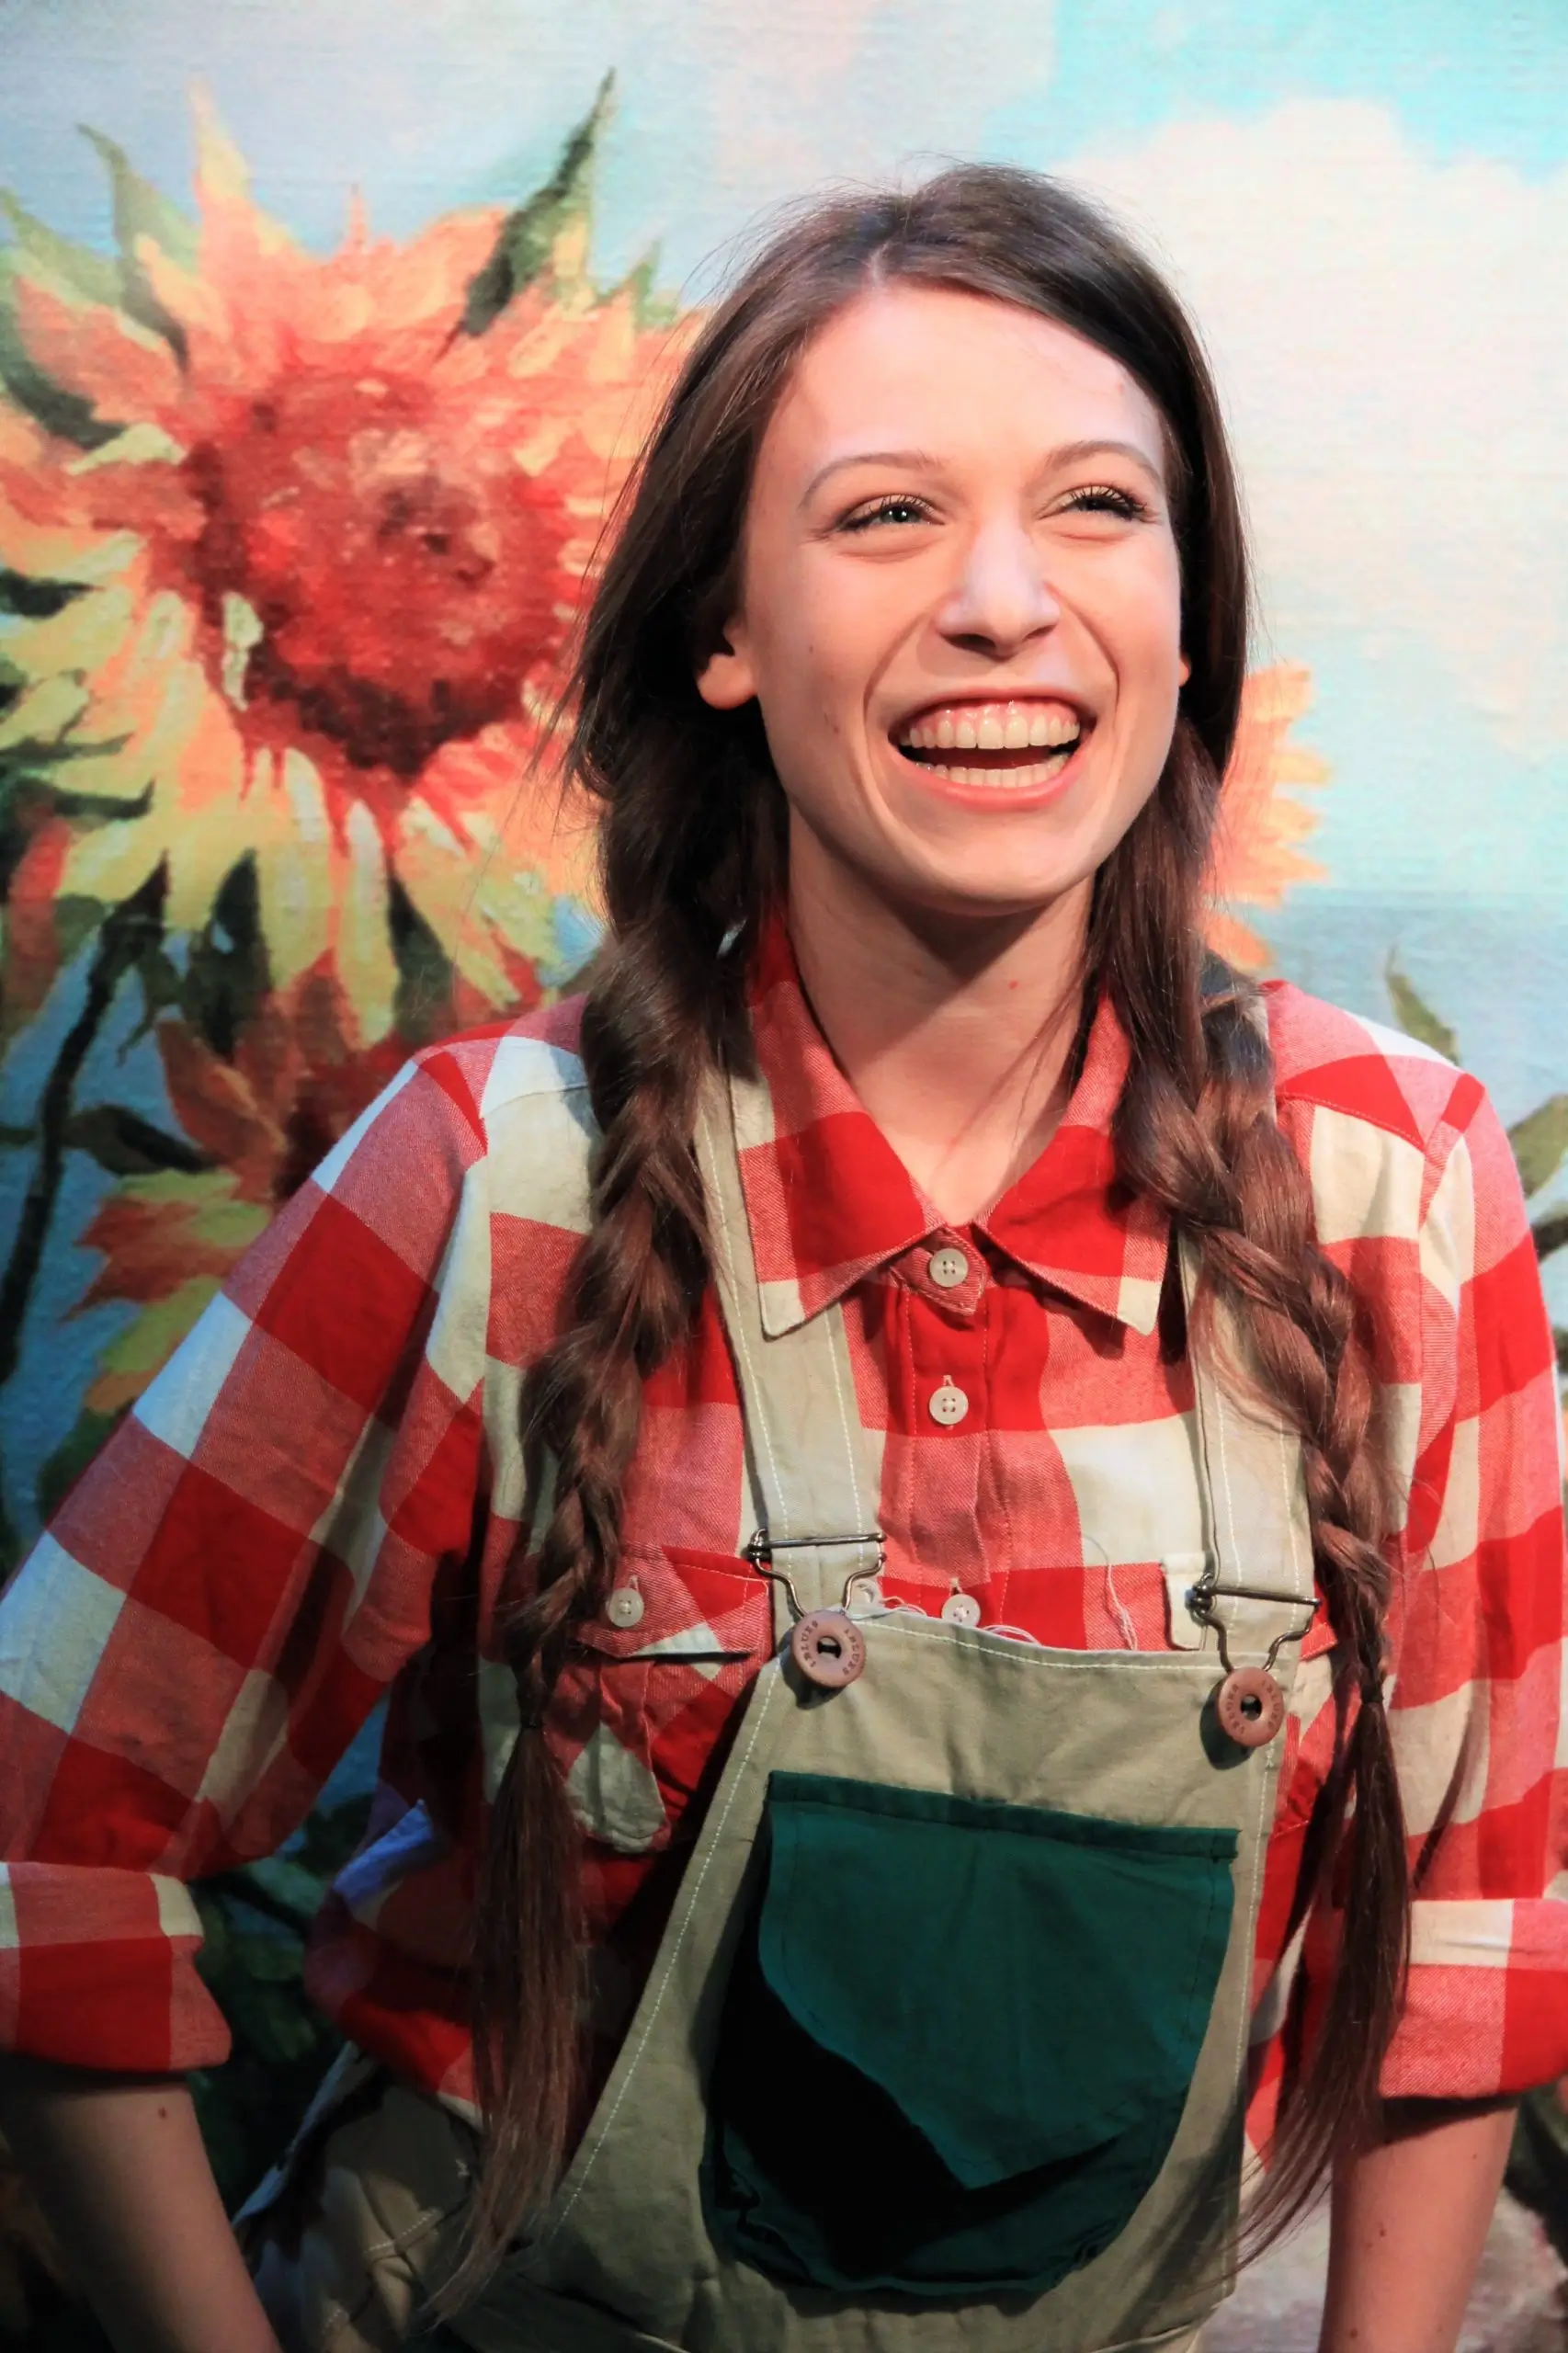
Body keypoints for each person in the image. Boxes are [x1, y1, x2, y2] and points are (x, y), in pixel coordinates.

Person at [0, 165, 1563, 2353]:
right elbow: (50, 1843)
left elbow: (1469, 1933)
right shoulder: (495, 1177)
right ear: (722, 634)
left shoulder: (1390, 1182)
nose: (1003, 601)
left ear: (1187, 615)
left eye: (1095, 506)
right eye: (886, 516)